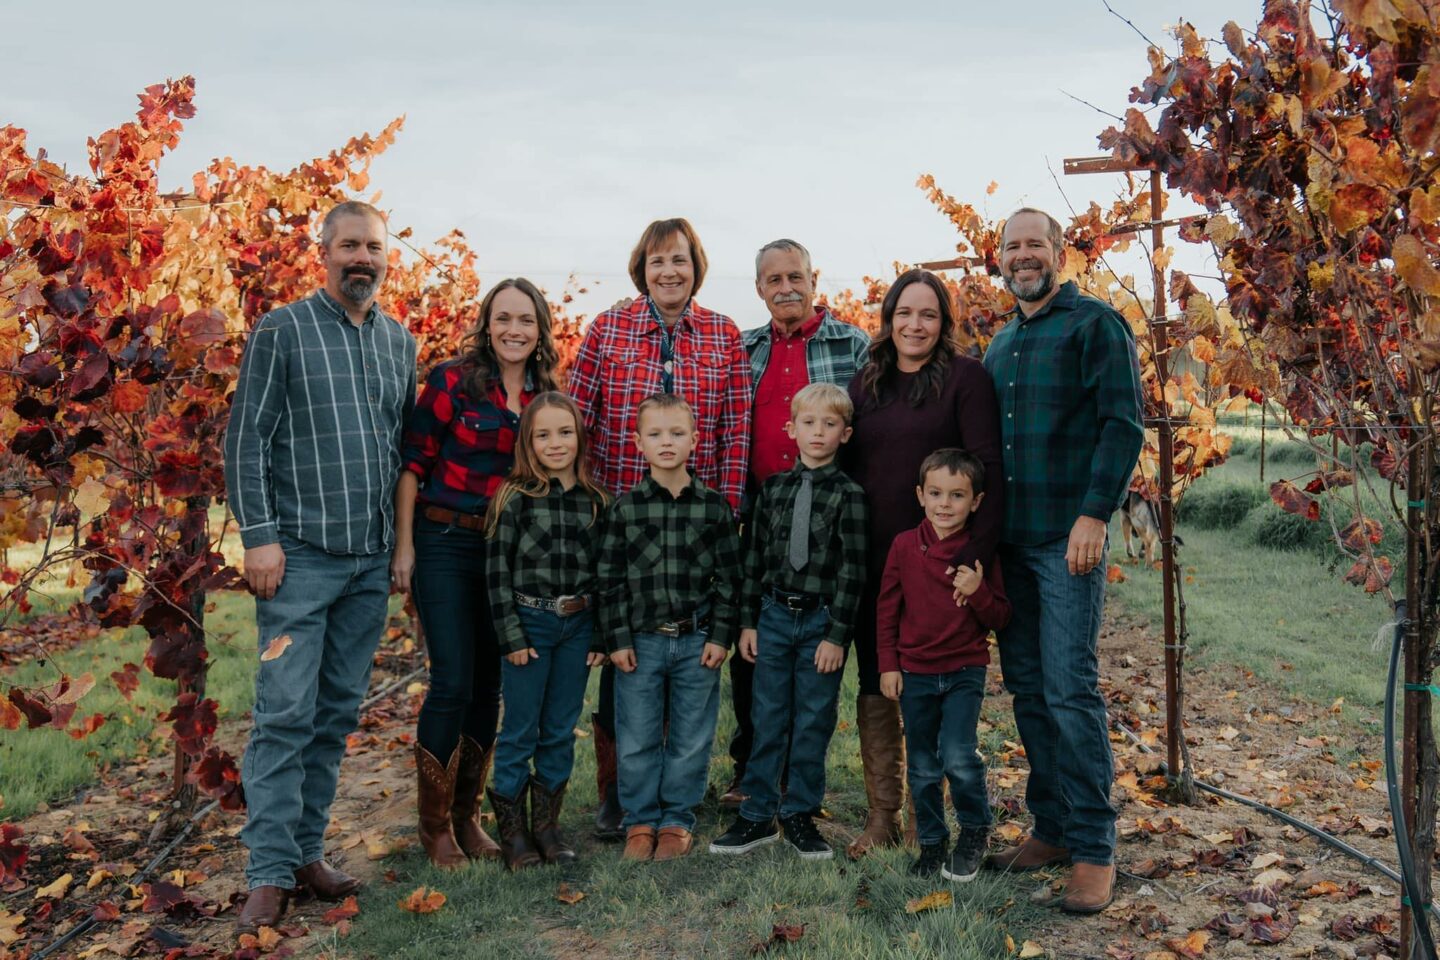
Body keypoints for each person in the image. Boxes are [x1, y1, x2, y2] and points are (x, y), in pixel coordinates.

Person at [224, 201, 417, 935]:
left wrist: (400, 549)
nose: (361, 257)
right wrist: (259, 538)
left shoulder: (400, 342)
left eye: (373, 246)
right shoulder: (283, 331)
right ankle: (269, 872)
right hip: (299, 556)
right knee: (284, 716)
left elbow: (404, 458)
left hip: (369, 563)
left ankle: (307, 854)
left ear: (385, 256)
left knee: (334, 717)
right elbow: (247, 442)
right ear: (324, 252)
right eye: (348, 246)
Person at [980, 208, 1144, 914]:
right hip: (1010, 542)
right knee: (1026, 687)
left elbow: (1122, 423)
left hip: (1065, 540)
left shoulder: (1094, 325)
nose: (1024, 256)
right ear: (1000, 258)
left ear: (1059, 253)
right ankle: (1050, 826)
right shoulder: (1002, 341)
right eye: (1013, 246)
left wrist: (1094, 513)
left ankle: (1093, 847)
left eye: (1035, 244)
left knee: (1070, 688)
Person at [569, 218, 751, 839]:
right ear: (640, 270)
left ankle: (676, 802)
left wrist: (725, 512)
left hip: (699, 524)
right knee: (629, 667)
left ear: (696, 266)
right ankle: (620, 796)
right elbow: (577, 413)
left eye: (679, 260)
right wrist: (586, 505)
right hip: (624, 516)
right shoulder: (609, 329)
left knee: (692, 660)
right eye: (656, 263)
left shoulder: (722, 335)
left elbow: (734, 429)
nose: (668, 272)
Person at [393, 277, 559, 868]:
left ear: (540, 330)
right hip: (445, 541)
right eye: (504, 318)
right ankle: (434, 826)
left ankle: (467, 818)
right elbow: (413, 466)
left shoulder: (544, 396)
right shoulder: (453, 381)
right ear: (487, 323)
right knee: (452, 682)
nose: (515, 330)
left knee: (489, 686)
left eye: (526, 320)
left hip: (508, 554)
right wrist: (405, 548)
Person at [842, 269, 1003, 859]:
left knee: (928, 686)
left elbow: (988, 471)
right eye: (904, 313)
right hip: (872, 558)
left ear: (944, 322)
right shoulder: (867, 381)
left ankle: (922, 819)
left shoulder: (966, 380)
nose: (915, 325)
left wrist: (972, 559)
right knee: (876, 679)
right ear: (888, 320)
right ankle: (882, 815)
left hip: (938, 563)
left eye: (928, 314)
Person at [721, 238, 872, 808]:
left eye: (794, 277)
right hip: (762, 511)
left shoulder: (852, 343)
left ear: (814, 278)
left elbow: (868, 431)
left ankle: (800, 774)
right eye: (772, 280)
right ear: (759, 288)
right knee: (755, 643)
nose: (785, 288)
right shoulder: (745, 349)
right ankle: (751, 767)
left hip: (830, 516)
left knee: (817, 645)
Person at [708, 383, 866, 861]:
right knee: (767, 714)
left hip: (820, 623)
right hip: (773, 616)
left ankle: (799, 811)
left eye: (830, 424)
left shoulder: (851, 496)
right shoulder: (773, 490)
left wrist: (837, 635)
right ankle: (757, 814)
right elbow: (753, 559)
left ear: (846, 433)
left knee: (814, 718)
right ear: (790, 428)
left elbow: (852, 571)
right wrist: (748, 622)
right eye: (809, 423)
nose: (818, 432)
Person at [597, 393, 743, 862]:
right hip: (641, 641)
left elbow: (729, 580)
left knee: (691, 734)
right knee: (636, 734)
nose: (666, 442)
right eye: (655, 434)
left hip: (697, 640)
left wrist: (721, 634)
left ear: (695, 440)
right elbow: (610, 580)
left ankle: (678, 819)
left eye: (677, 433)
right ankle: (640, 819)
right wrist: (616, 640)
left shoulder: (715, 508)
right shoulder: (624, 510)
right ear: (638, 442)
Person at [483, 392, 610, 870]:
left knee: (559, 726)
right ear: (528, 443)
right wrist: (511, 636)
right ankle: (513, 832)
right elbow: (497, 573)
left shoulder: (597, 502)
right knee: (520, 727)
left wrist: (597, 635)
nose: (555, 443)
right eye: (543, 435)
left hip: (577, 626)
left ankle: (548, 827)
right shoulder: (514, 498)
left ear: (579, 436)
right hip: (530, 623)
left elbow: (603, 575)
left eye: (565, 432)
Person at [878, 449, 1010, 881]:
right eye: (935, 493)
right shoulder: (903, 546)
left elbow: (1000, 617)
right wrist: (888, 665)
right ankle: (932, 843)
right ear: (920, 495)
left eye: (957, 495)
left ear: (975, 502)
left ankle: (974, 830)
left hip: (963, 670)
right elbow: (887, 610)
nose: (944, 504)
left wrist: (976, 590)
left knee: (956, 755)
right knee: (922, 765)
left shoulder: (979, 553)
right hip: (914, 671)